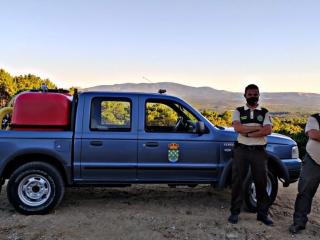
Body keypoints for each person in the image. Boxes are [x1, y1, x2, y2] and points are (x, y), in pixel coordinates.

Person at [228, 84, 273, 226]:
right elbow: (237, 128)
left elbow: (267, 130)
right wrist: (256, 128)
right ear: (245, 96)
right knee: (237, 182)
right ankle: (235, 212)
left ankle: (262, 214)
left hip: (259, 151)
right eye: (250, 94)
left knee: (261, 183)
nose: (253, 97)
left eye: (255, 94)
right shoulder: (238, 111)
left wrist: (246, 132)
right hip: (241, 151)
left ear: (259, 95)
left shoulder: (264, 112)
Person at [289, 113, 320, 234]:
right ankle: (299, 223)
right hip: (313, 161)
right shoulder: (315, 118)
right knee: (305, 192)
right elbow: (313, 134)